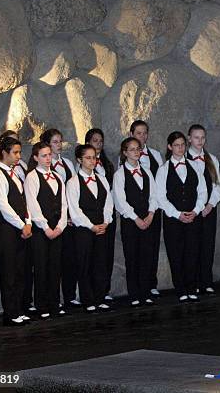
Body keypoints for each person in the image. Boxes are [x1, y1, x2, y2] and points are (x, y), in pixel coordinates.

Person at [156, 132, 207, 303]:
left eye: (183, 145)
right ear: (170, 147)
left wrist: (196, 210)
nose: (180, 148)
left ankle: (192, 288)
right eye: (176, 145)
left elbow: (202, 192)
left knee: (192, 253)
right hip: (173, 220)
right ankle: (181, 289)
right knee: (176, 254)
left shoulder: (195, 166)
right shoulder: (163, 170)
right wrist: (177, 214)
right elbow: (161, 197)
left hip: (193, 217)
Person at [67, 145, 114, 313]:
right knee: (85, 265)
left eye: (94, 157)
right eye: (88, 158)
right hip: (84, 230)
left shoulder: (101, 179)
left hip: (102, 227)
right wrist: (92, 226)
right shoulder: (73, 183)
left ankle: (100, 297)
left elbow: (109, 203)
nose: (92, 161)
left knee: (100, 263)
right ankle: (88, 300)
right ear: (79, 160)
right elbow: (74, 210)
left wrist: (106, 222)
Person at [0, 137, 32, 326]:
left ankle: (18, 309)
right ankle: (10, 313)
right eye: (15, 152)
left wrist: (28, 222)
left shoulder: (15, 173)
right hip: (7, 228)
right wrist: (21, 224)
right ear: (4, 153)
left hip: (20, 226)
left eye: (19, 152)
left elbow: (23, 200)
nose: (18, 156)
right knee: (9, 270)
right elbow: (3, 204)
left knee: (20, 269)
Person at [24, 142, 68, 319]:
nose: (48, 158)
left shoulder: (57, 177)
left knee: (55, 267)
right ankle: (42, 305)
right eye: (44, 155)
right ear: (35, 158)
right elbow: (32, 205)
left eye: (49, 155)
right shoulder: (32, 177)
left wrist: (60, 226)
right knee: (41, 267)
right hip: (41, 230)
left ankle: (54, 303)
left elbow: (64, 204)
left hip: (57, 229)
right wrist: (46, 227)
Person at [112, 137, 157, 307]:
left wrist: (151, 214)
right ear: (124, 153)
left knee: (147, 257)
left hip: (148, 220)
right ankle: (134, 294)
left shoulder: (147, 172)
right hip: (131, 222)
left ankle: (145, 292)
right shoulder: (119, 175)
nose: (136, 152)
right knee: (132, 258)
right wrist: (136, 218)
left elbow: (154, 195)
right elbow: (120, 201)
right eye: (132, 149)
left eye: (138, 149)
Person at [39, 129, 79, 309]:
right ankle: (50, 300)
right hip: (51, 220)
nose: (59, 145)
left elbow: (73, 191)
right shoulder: (42, 168)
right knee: (52, 262)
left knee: (69, 259)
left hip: (68, 219)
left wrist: (71, 215)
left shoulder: (68, 163)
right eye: (55, 142)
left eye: (60, 141)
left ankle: (69, 296)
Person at [130, 120, 163, 298]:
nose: (142, 137)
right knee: (136, 251)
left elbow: (160, 184)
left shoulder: (156, 155)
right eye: (138, 133)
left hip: (153, 209)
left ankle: (151, 283)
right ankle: (137, 288)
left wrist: (153, 210)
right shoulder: (125, 159)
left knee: (152, 247)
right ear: (132, 135)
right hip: (135, 212)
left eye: (145, 133)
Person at [186, 124, 220, 295]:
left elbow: (216, 187)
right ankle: (194, 283)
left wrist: (210, 205)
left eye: (202, 138)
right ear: (189, 138)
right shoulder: (182, 160)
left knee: (208, 245)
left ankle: (206, 281)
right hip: (190, 211)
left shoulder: (212, 159)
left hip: (208, 211)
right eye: (196, 137)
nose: (200, 141)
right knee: (192, 247)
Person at [85, 128, 116, 303]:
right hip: (90, 218)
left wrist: (108, 217)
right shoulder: (80, 168)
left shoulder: (107, 165)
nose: (99, 144)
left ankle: (104, 290)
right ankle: (91, 293)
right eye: (95, 140)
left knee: (106, 254)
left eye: (101, 141)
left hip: (107, 215)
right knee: (91, 256)